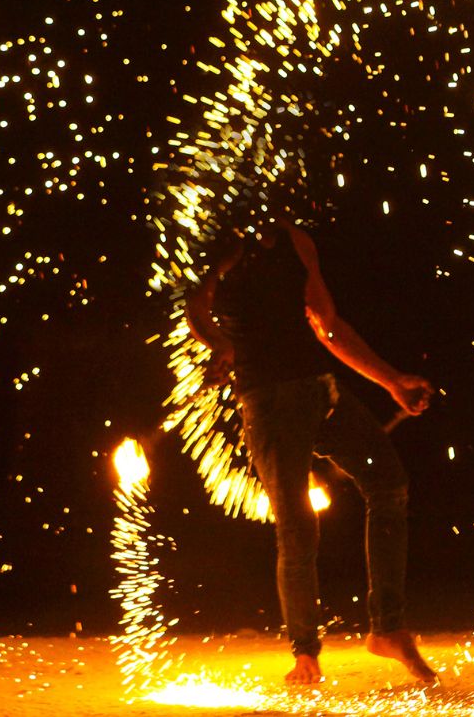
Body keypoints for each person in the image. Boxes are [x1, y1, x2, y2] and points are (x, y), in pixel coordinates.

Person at [185, 217, 438, 686]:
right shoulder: (216, 247)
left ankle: (387, 628)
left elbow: (329, 327)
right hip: (268, 405)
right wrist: (220, 344)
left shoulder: (296, 243)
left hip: (322, 396)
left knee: (389, 483)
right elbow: (196, 310)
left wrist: (393, 381)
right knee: (297, 525)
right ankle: (305, 653)